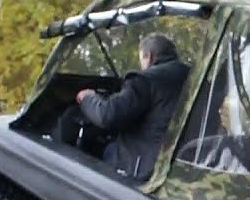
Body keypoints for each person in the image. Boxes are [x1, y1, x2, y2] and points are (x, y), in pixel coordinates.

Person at [74, 33, 191, 181]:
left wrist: (87, 98)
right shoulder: (193, 76)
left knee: (95, 151)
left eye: (141, 59)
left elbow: (106, 115)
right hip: (180, 162)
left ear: (148, 56)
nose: (141, 66)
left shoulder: (146, 80)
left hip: (142, 169)